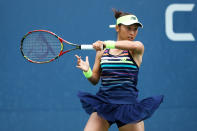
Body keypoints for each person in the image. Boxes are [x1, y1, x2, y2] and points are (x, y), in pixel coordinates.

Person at [75, 9, 164, 131]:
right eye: (129, 28)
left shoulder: (136, 48)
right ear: (117, 28)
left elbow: (133, 45)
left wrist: (106, 43)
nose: (132, 33)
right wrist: (87, 71)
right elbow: (95, 79)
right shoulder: (102, 52)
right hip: (105, 104)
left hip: (128, 106)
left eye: (135, 29)